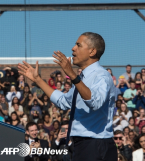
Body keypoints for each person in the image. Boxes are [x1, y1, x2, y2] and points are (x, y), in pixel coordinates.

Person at [18, 32, 117, 160]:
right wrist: (38, 80)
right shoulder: (82, 79)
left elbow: (95, 102)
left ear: (92, 51)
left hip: (96, 145)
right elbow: (63, 101)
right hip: (82, 145)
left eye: (78, 45)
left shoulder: (101, 76)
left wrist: (72, 75)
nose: (73, 48)